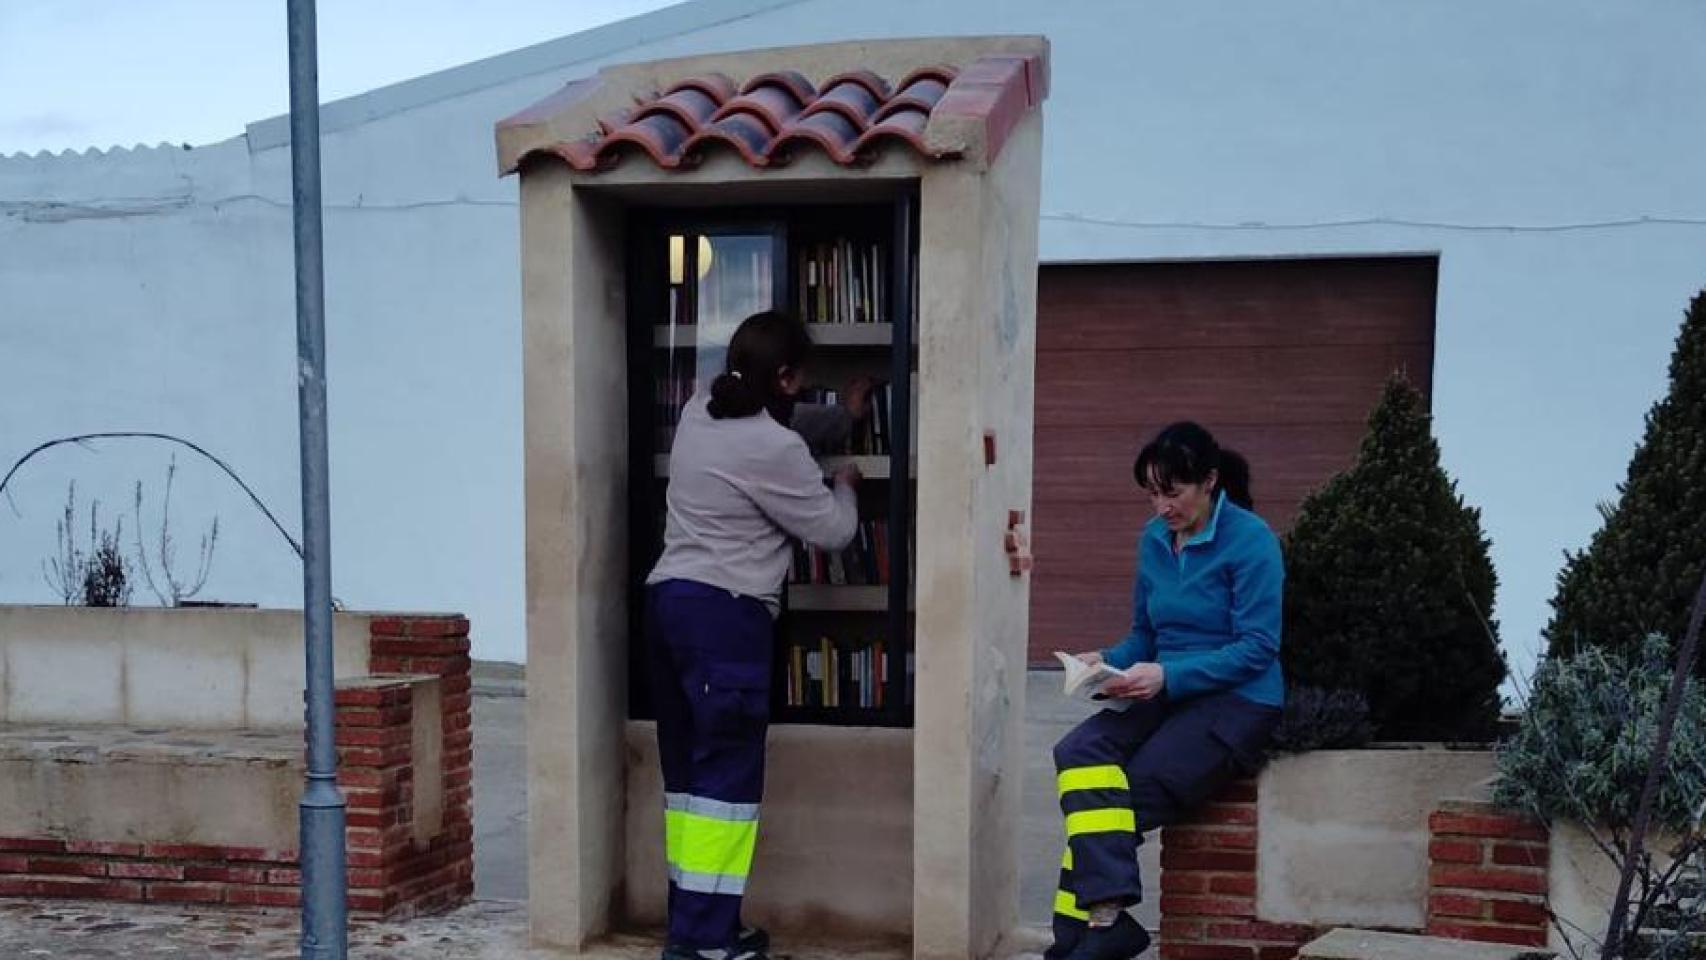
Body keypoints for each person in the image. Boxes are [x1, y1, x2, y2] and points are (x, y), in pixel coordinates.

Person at [645, 310, 864, 960]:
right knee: (725, 791)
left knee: (688, 787)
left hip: (667, 605)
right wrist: (846, 485)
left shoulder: (696, 410)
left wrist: (839, 418)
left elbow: (774, 429)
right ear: (789, 378)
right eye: (803, 381)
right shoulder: (776, 449)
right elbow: (830, 529)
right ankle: (711, 945)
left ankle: (691, 932)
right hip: (726, 617)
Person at [1048, 422, 1285, 960]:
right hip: (1167, 690)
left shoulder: (1252, 541)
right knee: (1079, 757)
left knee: (1113, 802)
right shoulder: (1155, 540)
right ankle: (1096, 930)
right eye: (1152, 493)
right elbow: (1144, 637)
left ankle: (1087, 936)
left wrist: (1168, 675)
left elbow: (1258, 647)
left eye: (1172, 492)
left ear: (1209, 481)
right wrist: (1106, 662)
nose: (1161, 507)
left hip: (1240, 701)